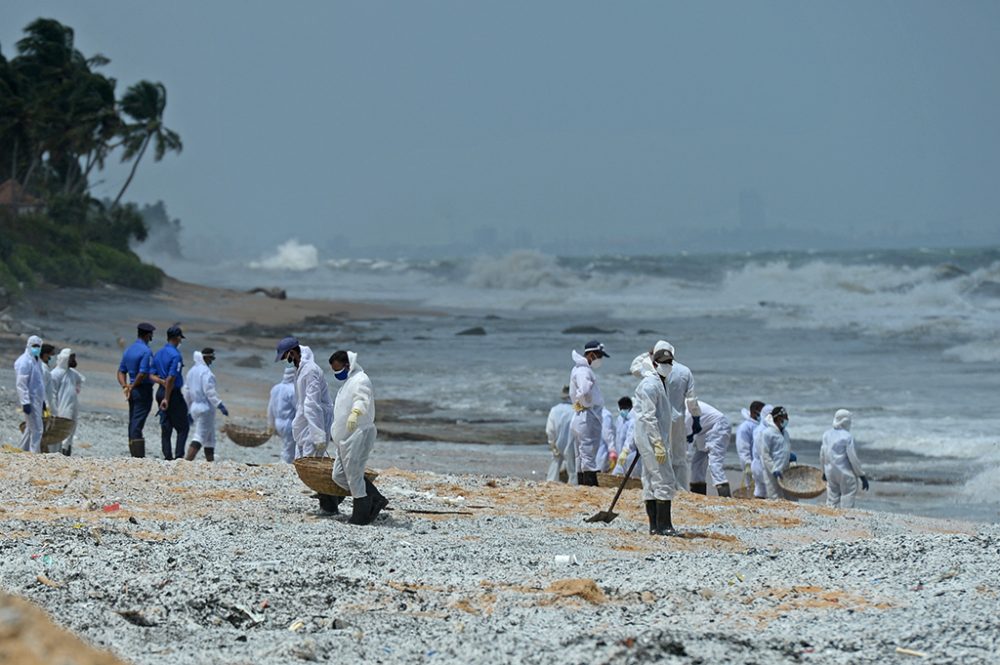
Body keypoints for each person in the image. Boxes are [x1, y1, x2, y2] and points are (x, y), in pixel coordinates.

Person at [329, 350, 388, 525]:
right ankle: (375, 498)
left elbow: (362, 398)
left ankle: (360, 516)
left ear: (348, 365)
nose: (336, 373)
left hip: (359, 433)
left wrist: (356, 413)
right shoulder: (348, 382)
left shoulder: (361, 379)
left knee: (354, 473)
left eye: (338, 369)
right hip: (344, 437)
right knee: (339, 475)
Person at [631, 348, 679, 535]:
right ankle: (664, 526)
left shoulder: (657, 382)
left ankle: (654, 526)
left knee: (650, 480)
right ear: (655, 364)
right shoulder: (650, 385)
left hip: (650, 438)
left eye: (669, 363)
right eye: (663, 363)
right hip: (652, 439)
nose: (667, 366)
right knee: (664, 479)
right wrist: (657, 443)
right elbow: (649, 418)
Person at [276, 336, 333, 459]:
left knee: (311, 458)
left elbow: (312, 403)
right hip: (305, 418)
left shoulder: (310, 371)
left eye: (285, 357)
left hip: (317, 417)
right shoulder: (300, 370)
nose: (286, 360)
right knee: (301, 457)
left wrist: (318, 434)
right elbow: (302, 403)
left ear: (292, 353)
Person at [658, 341, 698, 492]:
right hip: (678, 417)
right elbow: (691, 399)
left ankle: (665, 487)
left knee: (661, 454)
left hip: (660, 418)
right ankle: (681, 488)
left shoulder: (654, 370)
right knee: (679, 455)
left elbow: (635, 368)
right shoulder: (684, 371)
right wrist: (696, 418)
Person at [569, 340, 609, 486]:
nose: (600, 359)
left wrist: (579, 402)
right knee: (589, 452)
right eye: (599, 355)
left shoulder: (577, 369)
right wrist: (584, 401)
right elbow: (584, 390)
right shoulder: (584, 371)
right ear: (591, 354)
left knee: (581, 453)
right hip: (587, 415)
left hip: (581, 414)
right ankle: (590, 485)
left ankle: (582, 484)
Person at [117, 322, 156, 457]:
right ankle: (138, 456)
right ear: (148, 335)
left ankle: (134, 453)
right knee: (138, 422)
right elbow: (143, 372)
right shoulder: (146, 351)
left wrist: (125, 386)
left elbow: (121, 371)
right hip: (142, 389)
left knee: (133, 420)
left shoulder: (129, 350)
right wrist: (133, 385)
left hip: (132, 390)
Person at [182, 348, 228, 462]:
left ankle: (210, 462)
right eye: (211, 358)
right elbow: (209, 392)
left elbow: (186, 391)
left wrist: (188, 409)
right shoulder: (206, 373)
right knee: (200, 436)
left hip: (195, 407)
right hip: (205, 408)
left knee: (210, 437)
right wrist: (220, 404)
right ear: (206, 357)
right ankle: (187, 461)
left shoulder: (192, 371)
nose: (211, 361)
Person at [153, 325, 190, 460]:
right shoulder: (176, 355)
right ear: (177, 338)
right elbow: (172, 377)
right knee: (183, 427)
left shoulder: (159, 353)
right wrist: (167, 398)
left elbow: (151, 375)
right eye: (180, 338)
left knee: (166, 425)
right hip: (171, 393)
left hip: (160, 391)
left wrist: (161, 383)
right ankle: (179, 456)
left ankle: (167, 456)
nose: (181, 341)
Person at [820, 409, 869, 508]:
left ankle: (830, 518)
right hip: (845, 473)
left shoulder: (826, 434)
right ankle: (846, 518)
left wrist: (823, 472)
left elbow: (822, 455)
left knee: (832, 498)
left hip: (830, 472)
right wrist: (861, 475)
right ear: (846, 421)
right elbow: (853, 458)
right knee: (848, 495)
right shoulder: (848, 437)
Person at [685, 400, 733, 496]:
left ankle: (725, 498)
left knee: (715, 463)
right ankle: (698, 496)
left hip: (718, 426)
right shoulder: (679, 407)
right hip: (704, 429)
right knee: (697, 463)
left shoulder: (685, 412)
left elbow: (686, 444)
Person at [754, 405, 795, 500]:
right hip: (772, 473)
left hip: (785, 472)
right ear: (779, 418)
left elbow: (785, 448)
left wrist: (790, 457)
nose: (787, 419)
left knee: (789, 498)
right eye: (785, 417)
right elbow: (765, 454)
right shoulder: (767, 433)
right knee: (775, 498)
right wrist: (774, 469)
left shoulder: (786, 433)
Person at [14, 335, 45, 453]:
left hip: (37, 399)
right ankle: (34, 453)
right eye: (34, 346)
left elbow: (40, 383)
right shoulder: (24, 362)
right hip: (30, 400)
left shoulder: (36, 361)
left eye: (39, 346)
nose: (37, 348)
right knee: (37, 428)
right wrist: (25, 402)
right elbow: (21, 384)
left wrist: (43, 401)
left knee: (30, 428)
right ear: (28, 345)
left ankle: (22, 451)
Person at [50, 348, 85, 456]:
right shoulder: (55, 373)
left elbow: (80, 380)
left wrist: (76, 389)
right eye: (71, 358)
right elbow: (52, 393)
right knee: (62, 430)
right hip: (62, 407)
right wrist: (53, 408)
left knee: (70, 430)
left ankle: (67, 452)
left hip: (72, 406)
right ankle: (59, 453)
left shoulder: (72, 373)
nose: (73, 361)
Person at [545, 386, 576, 484]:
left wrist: (552, 443)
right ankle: (573, 486)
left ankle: (551, 483)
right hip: (572, 442)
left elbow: (550, 429)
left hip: (558, 441)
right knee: (573, 469)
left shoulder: (554, 410)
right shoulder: (576, 410)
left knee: (555, 463)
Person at [267, 365, 297, 464]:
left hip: (278, 421)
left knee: (286, 445)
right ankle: (286, 465)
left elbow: (270, 407)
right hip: (289, 422)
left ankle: (285, 462)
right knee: (290, 447)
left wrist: (270, 424)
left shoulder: (276, 388)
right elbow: (299, 408)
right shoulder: (292, 390)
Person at [735, 401, 764, 491]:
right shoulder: (745, 427)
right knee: (752, 488)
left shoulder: (760, 425)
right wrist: (747, 462)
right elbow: (742, 447)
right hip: (751, 463)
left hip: (760, 464)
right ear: (754, 411)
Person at [612, 397, 639, 477]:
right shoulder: (620, 419)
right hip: (621, 454)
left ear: (629, 408)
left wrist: (625, 451)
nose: (621, 411)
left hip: (630, 454)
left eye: (623, 408)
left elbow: (630, 438)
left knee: (632, 476)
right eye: (620, 408)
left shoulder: (633, 421)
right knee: (616, 474)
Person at [598, 406, 617, 472]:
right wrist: (612, 450)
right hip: (602, 454)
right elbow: (607, 434)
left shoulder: (592, 413)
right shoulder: (605, 415)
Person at [40, 343, 56, 415]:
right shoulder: (42, 369)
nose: (54, 357)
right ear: (46, 355)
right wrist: (45, 404)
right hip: (42, 404)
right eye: (52, 354)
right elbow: (41, 388)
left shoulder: (46, 368)